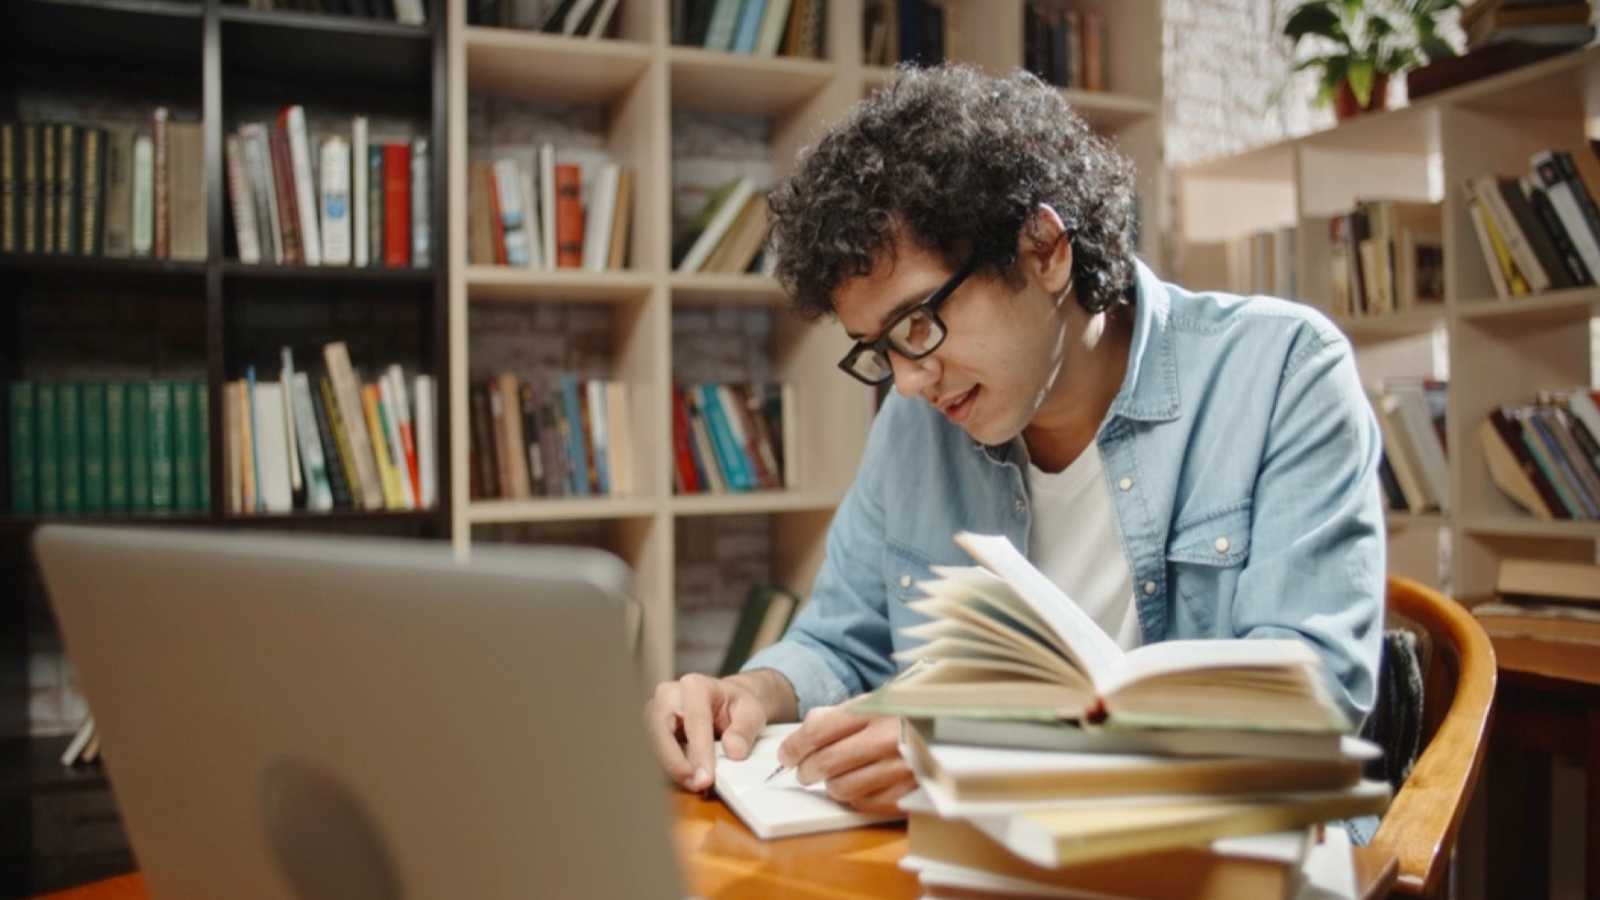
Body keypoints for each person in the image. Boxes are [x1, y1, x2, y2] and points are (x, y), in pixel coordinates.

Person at [646, 64, 1385, 816]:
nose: (907, 381)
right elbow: (842, 641)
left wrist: (987, 743)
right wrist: (747, 692)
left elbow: (1314, 698)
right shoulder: (916, 423)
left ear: (1043, 248)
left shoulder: (1281, 372)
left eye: (918, 324)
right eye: (881, 348)